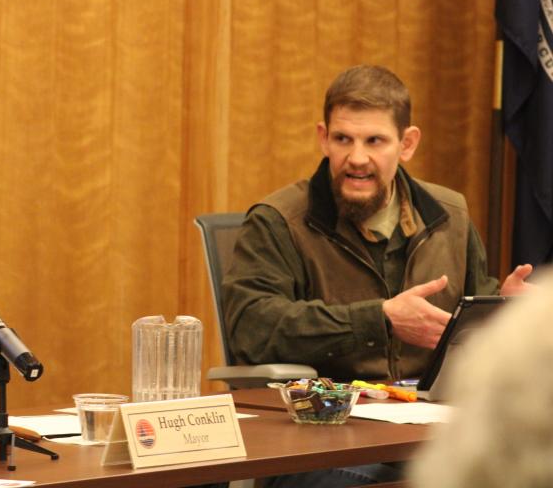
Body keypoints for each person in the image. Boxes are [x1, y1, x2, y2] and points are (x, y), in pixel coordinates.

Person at [222, 65, 534, 487]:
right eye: (342, 139)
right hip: (317, 435)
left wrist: (506, 313)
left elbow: (470, 333)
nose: (357, 158)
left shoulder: (450, 216)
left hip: (428, 429)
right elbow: (252, 327)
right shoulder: (279, 221)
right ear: (322, 137)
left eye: (375, 141)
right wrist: (379, 319)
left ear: (407, 144)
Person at [409, 274, 553, 488]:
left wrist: (501, 308)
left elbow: (480, 296)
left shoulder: (460, 238)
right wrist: (378, 318)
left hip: (434, 410)